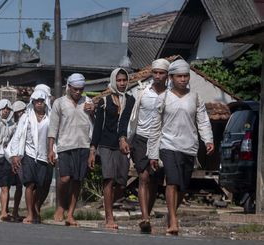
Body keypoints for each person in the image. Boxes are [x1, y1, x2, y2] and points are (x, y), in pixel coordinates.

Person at [148, 59, 214, 235]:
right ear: (171, 77)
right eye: (179, 76)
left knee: (183, 187)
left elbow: (203, 120)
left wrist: (208, 140)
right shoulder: (163, 98)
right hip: (168, 145)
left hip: (189, 146)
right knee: (172, 181)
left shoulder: (195, 97)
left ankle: (171, 215)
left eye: (186, 76)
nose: (183, 79)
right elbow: (155, 127)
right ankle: (174, 221)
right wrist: (153, 153)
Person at [89, 68, 135, 229]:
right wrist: (93, 150)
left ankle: (107, 201)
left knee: (122, 182)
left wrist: (124, 139)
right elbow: (97, 127)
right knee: (108, 179)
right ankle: (109, 217)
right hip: (106, 145)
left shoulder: (130, 100)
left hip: (122, 146)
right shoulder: (105, 101)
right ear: (114, 81)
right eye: (119, 80)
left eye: (124, 80)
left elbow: (126, 122)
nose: (122, 83)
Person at [127, 58, 170, 233]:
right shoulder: (142, 92)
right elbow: (132, 118)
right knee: (143, 177)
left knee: (154, 180)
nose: (158, 76)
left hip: (161, 141)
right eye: (155, 72)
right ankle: (144, 217)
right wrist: (127, 140)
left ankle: (147, 213)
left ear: (167, 75)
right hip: (141, 139)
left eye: (161, 73)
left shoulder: (170, 95)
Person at [48, 73, 95, 226]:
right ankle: (61, 206)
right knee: (64, 178)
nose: (78, 92)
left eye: (81, 89)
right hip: (64, 146)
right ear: (68, 87)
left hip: (83, 145)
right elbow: (53, 128)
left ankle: (71, 214)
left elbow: (93, 126)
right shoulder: (59, 103)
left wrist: (93, 112)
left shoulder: (88, 102)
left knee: (77, 181)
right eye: (75, 89)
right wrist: (51, 149)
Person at [9, 91, 53, 224]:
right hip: (28, 154)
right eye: (36, 101)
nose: (39, 103)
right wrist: (15, 155)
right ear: (32, 102)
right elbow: (17, 136)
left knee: (40, 185)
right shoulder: (26, 117)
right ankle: (29, 214)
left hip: (43, 156)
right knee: (30, 184)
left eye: (41, 100)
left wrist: (53, 152)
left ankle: (35, 208)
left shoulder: (50, 118)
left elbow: (53, 137)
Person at [9, 100, 27, 221]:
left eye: (21, 111)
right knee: (6, 186)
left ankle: (15, 211)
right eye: (17, 112)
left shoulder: (27, 123)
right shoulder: (10, 125)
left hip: (22, 158)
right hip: (9, 158)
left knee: (20, 186)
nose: (19, 114)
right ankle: (5, 211)